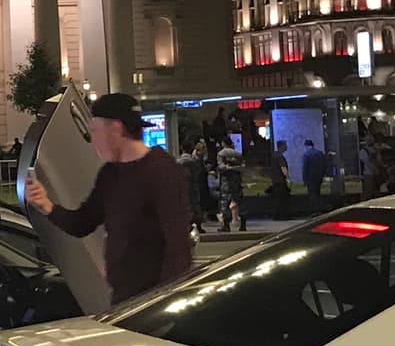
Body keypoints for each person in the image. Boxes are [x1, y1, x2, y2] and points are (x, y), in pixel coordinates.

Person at [23, 93, 193, 305]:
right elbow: (82, 223)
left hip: (151, 303)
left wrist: (162, 305)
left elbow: (177, 248)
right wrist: (46, 206)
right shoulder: (110, 174)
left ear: (115, 129)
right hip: (122, 300)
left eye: (95, 130)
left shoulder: (162, 172)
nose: (92, 139)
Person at [176, 140, 210, 233]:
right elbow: (198, 172)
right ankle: (198, 226)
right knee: (195, 206)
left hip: (182, 187)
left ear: (182, 149)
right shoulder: (194, 161)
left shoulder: (178, 161)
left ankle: (186, 226)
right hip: (193, 186)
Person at [217, 137, 245, 231]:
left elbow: (221, 166)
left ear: (223, 143)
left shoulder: (221, 153)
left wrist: (229, 168)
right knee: (239, 201)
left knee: (225, 203)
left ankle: (226, 225)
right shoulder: (237, 154)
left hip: (226, 181)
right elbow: (242, 167)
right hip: (236, 181)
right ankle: (243, 224)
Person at [266, 139, 291, 220]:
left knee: (276, 199)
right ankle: (282, 215)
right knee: (282, 199)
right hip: (280, 181)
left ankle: (276, 215)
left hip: (275, 180)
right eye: (285, 145)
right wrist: (287, 178)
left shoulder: (274, 155)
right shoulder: (280, 156)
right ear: (282, 146)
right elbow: (283, 168)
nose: (287, 146)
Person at [301, 139, 327, 213]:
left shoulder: (306, 155)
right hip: (318, 177)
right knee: (317, 193)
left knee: (312, 195)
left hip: (310, 178)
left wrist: (304, 180)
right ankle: (320, 209)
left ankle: (315, 210)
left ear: (306, 146)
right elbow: (324, 165)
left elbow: (305, 168)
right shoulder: (320, 153)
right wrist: (322, 175)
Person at [359, 136, 385, 201]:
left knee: (376, 191)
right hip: (368, 174)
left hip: (376, 174)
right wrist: (375, 169)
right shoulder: (363, 151)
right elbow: (367, 162)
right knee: (369, 192)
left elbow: (379, 160)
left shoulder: (375, 149)